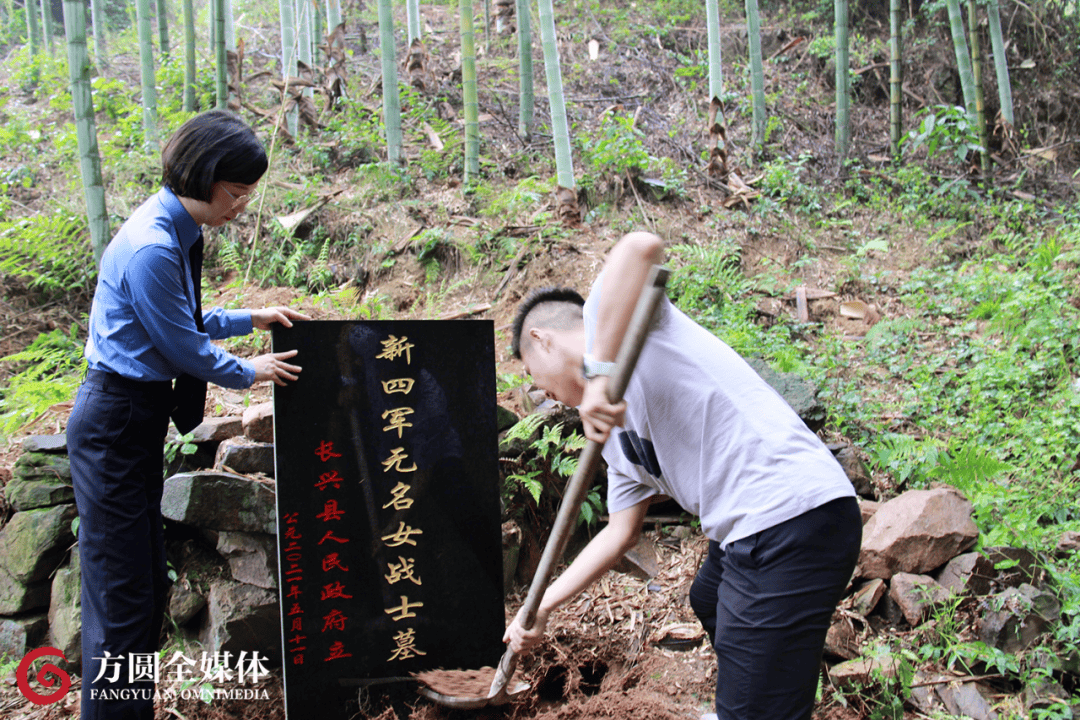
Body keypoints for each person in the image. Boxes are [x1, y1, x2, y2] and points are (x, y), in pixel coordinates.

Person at [505, 231, 862, 720]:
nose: (542, 393)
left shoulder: (616, 318)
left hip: (789, 514)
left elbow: (642, 246)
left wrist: (599, 374)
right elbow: (620, 532)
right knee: (710, 597)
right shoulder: (612, 441)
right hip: (753, 529)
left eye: (532, 376)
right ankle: (765, 691)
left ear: (541, 340)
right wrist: (543, 603)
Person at [67, 110, 309, 720]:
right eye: (235, 193)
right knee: (123, 600)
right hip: (116, 419)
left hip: (134, 419)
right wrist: (252, 370)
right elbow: (181, 346)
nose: (241, 207)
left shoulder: (176, 231)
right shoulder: (153, 244)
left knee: (142, 588)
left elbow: (183, 318)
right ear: (202, 177)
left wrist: (251, 318)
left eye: (248, 194)